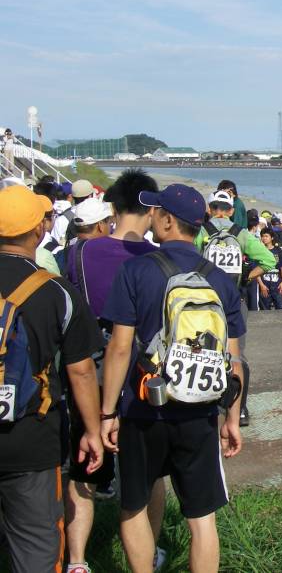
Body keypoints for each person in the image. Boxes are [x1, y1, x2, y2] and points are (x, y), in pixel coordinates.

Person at [100, 184, 244, 573]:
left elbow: (119, 349)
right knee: (202, 519)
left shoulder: (135, 270)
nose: (151, 218)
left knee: (133, 506)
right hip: (200, 411)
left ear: (165, 221)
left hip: (145, 408)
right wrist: (231, 418)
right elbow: (234, 360)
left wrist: (107, 413)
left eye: (155, 213)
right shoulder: (221, 280)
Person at [60, 169, 169, 573]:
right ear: (151, 208)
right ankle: (148, 552)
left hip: (88, 368)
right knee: (150, 475)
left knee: (84, 466)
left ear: (114, 206)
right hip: (143, 375)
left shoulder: (79, 253)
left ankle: (76, 561)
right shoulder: (160, 258)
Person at [0, 185, 103, 573]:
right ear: (38, 232)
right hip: (32, 434)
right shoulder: (57, 292)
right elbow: (80, 370)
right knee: (37, 545)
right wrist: (91, 430)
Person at [196, 190, 275, 427]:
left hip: (205, 300)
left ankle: (202, 398)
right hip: (233, 299)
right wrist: (246, 277)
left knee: (202, 348)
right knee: (237, 355)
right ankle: (240, 409)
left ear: (209, 209)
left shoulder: (201, 232)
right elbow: (269, 261)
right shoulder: (240, 233)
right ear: (231, 211)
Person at [258, 228, 282, 310]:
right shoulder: (259, 251)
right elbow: (256, 270)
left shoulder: (278, 250)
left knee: (281, 308)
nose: (264, 238)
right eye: (262, 236)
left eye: (266, 236)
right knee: (264, 310)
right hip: (265, 285)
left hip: (277, 285)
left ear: (272, 238)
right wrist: (261, 285)